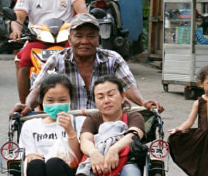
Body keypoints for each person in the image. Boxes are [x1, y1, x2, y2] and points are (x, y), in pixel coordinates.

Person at [20, 13, 163, 113]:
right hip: (69, 125)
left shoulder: (113, 59)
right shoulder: (57, 60)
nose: (84, 41)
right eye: (79, 36)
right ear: (70, 40)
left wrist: (143, 102)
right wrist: (27, 106)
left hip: (106, 123)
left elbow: (128, 86)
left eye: (91, 36)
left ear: (98, 40)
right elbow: (38, 89)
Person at [10, 0, 87, 104]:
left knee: (85, 58)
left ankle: (85, 99)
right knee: (23, 60)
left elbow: (82, 12)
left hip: (66, 39)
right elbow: (17, 19)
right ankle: (25, 105)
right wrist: (16, 30)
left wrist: (84, 21)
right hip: (38, 39)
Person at [73, 76, 145, 176]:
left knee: (130, 169)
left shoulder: (134, 117)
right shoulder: (93, 119)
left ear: (123, 97)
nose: (106, 100)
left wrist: (114, 150)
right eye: (100, 97)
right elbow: (85, 140)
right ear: (95, 101)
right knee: (87, 171)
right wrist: (94, 154)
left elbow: (134, 134)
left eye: (111, 95)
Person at [19, 75, 84, 176]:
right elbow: (28, 155)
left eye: (62, 100)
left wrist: (70, 131)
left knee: (54, 164)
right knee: (35, 165)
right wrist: (30, 158)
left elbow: (77, 158)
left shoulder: (79, 121)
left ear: (70, 101)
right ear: (42, 102)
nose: (57, 105)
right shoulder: (30, 125)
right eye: (50, 101)